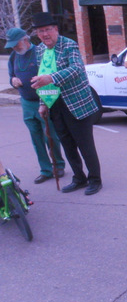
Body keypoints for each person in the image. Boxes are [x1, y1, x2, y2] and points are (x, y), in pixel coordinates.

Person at [30, 12, 103, 195]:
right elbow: (41, 77)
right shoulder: (39, 50)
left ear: (55, 29)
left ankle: (95, 179)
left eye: (48, 30)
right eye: (40, 31)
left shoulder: (68, 45)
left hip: (77, 103)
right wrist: (43, 103)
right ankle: (79, 178)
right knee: (67, 145)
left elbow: (76, 69)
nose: (45, 34)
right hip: (55, 105)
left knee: (85, 145)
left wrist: (52, 77)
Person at [5, 27, 66, 184]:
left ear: (25, 40)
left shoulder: (40, 53)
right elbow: (11, 75)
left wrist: (45, 101)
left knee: (50, 136)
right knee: (36, 138)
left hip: (44, 100)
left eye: (16, 44)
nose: (14, 48)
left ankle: (58, 165)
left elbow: (50, 74)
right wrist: (13, 80)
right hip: (26, 102)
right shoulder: (14, 56)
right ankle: (45, 169)